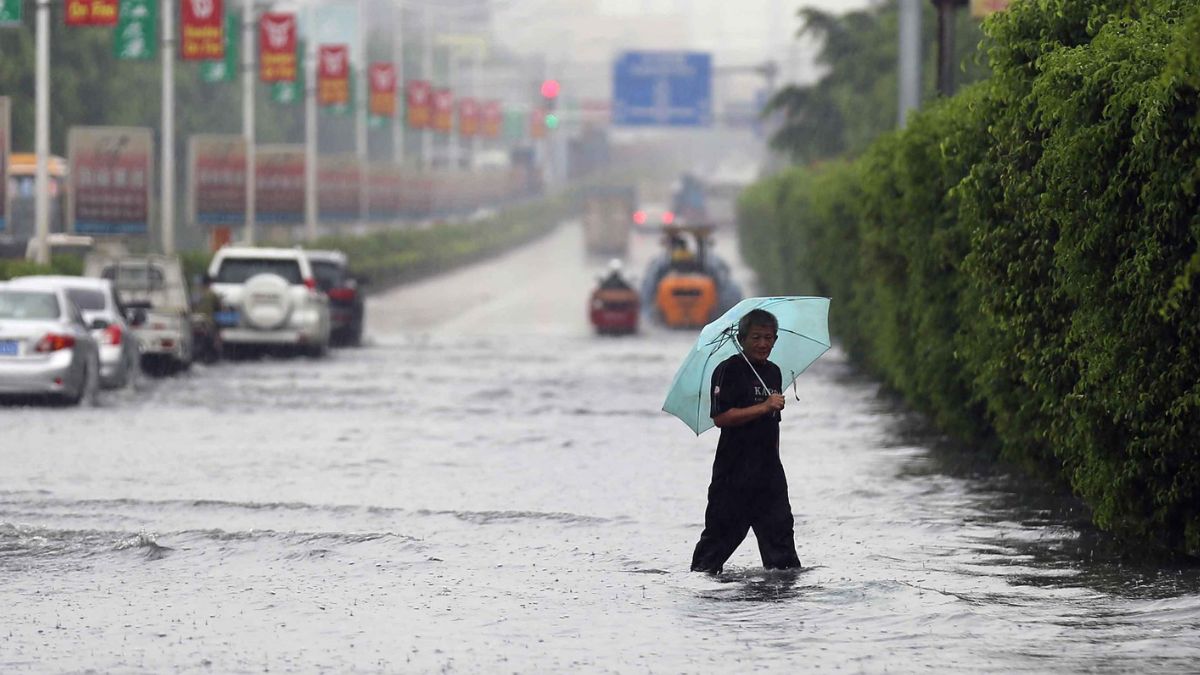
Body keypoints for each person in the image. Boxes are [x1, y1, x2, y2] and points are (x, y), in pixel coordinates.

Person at [690, 308, 802, 575]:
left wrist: (775, 465)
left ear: (775, 339)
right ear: (742, 339)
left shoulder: (774, 373)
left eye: (768, 338)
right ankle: (702, 589)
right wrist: (764, 406)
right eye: (756, 337)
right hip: (733, 473)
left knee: (783, 555)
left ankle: (784, 596)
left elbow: (773, 424)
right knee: (715, 546)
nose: (763, 344)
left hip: (769, 475)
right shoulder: (727, 370)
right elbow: (721, 417)